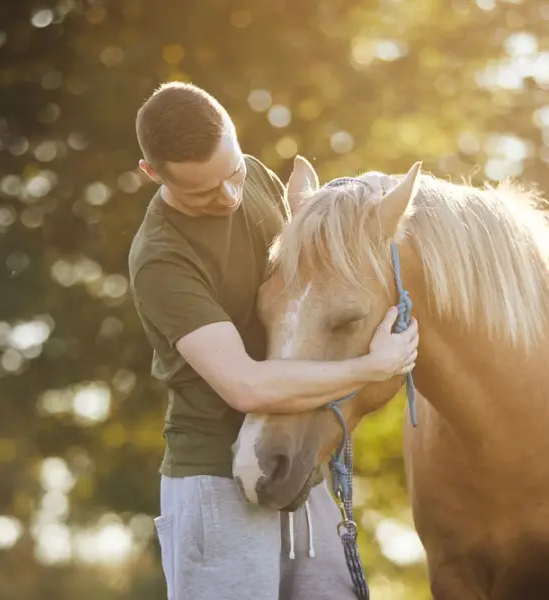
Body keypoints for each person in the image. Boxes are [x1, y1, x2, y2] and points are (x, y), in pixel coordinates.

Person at [128, 81, 419, 600]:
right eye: (204, 192)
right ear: (153, 174)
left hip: (296, 462)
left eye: (233, 172)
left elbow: (311, 289)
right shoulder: (161, 258)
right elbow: (245, 386)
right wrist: (374, 368)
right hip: (215, 484)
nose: (230, 196)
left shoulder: (256, 176)